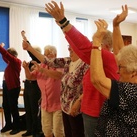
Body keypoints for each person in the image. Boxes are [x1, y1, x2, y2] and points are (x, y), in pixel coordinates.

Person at [45, 1, 120, 136]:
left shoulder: (108, 58)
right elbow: (79, 49)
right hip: (90, 112)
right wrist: (63, 28)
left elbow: (83, 47)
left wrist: (63, 21)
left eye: (95, 42)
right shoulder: (96, 61)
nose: (92, 45)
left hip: (99, 114)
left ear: (104, 44)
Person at [90, 19, 137, 136]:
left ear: (133, 72)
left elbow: (97, 80)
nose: (117, 71)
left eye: (120, 67)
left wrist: (96, 42)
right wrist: (116, 26)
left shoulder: (133, 92)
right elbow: (119, 53)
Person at [22, 35, 89, 136]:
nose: (69, 48)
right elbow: (46, 61)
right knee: (54, 131)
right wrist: (29, 48)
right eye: (69, 47)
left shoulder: (85, 64)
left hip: (73, 107)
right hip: (63, 106)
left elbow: (59, 75)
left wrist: (78, 101)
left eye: (71, 47)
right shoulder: (68, 61)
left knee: (65, 132)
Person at [23, 45, 64, 137]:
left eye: (49, 54)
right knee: (46, 130)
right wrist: (26, 68)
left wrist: (42, 70)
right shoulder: (42, 65)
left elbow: (57, 75)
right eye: (45, 55)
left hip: (58, 104)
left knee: (58, 132)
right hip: (45, 104)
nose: (46, 57)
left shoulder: (59, 64)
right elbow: (30, 77)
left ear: (55, 55)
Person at [0, 35, 22, 135]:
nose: (6, 57)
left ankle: (16, 126)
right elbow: (4, 55)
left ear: (12, 55)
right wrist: (1, 46)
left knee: (13, 106)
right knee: (5, 105)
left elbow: (5, 54)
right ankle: (8, 124)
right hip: (6, 85)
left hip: (13, 87)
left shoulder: (16, 62)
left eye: (8, 54)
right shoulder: (10, 62)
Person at [20, 31, 43, 137]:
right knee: (28, 109)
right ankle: (29, 129)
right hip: (28, 86)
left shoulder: (39, 61)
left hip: (35, 87)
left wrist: (25, 38)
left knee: (34, 110)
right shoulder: (31, 62)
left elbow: (30, 51)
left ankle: (36, 131)